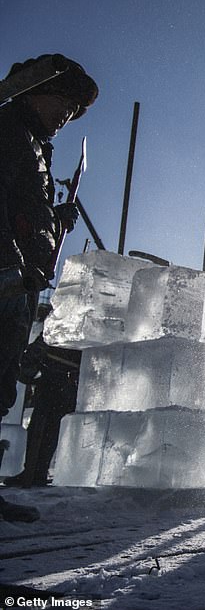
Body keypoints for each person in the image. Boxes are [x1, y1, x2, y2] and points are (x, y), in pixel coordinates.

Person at [0, 54, 97, 520]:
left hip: (19, 283)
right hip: (6, 277)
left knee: (1, 383)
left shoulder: (36, 147)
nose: (67, 115)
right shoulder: (10, 132)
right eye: (64, 103)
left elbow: (27, 216)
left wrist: (56, 220)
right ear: (37, 91)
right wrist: (10, 264)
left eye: (74, 111)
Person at [5, 305, 81, 488]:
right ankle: (35, 472)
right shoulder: (70, 321)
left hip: (55, 380)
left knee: (42, 428)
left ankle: (33, 473)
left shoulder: (60, 320)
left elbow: (39, 347)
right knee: (48, 429)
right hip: (63, 381)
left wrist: (27, 370)